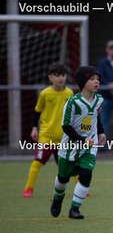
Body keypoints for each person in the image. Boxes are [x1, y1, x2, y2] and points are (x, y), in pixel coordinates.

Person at [50, 66, 105, 219]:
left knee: (86, 175)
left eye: (98, 79)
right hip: (70, 146)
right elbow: (66, 126)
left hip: (89, 145)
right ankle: (58, 198)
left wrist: (101, 132)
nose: (96, 82)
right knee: (63, 178)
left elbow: (96, 117)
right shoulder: (73, 102)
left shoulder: (99, 100)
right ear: (82, 82)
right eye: (92, 79)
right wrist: (81, 140)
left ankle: (74, 208)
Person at [23, 62, 74, 198]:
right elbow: (37, 111)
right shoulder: (45, 94)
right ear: (50, 77)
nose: (60, 78)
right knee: (37, 162)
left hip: (64, 138)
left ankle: (82, 188)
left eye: (63, 75)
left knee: (70, 162)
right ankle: (28, 189)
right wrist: (34, 128)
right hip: (47, 137)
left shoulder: (69, 93)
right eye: (57, 75)